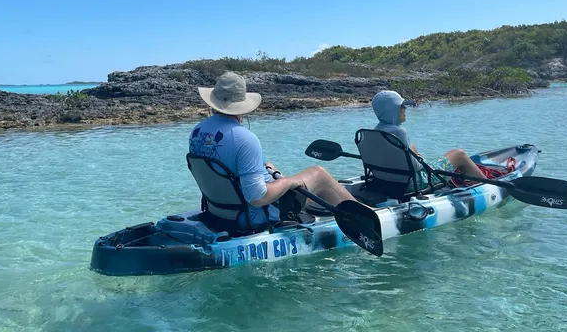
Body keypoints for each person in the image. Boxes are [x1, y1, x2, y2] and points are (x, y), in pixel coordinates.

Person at [189, 71, 360, 230]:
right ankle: (367, 215)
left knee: (270, 166)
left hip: (220, 212)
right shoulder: (245, 138)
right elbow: (257, 198)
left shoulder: (196, 132)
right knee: (318, 173)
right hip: (255, 217)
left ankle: (311, 199)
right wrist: (289, 182)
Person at [370, 90, 487, 184]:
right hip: (414, 182)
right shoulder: (400, 132)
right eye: (401, 106)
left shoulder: (375, 132)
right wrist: (419, 157)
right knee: (459, 154)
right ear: (392, 109)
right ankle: (487, 185)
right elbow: (415, 167)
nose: (405, 109)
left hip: (386, 182)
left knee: (412, 146)